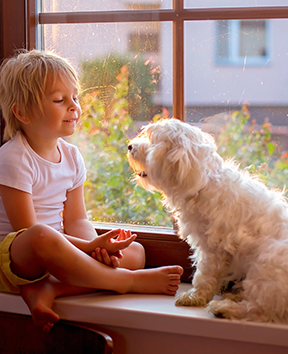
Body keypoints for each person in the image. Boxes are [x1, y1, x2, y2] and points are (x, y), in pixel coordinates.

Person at [0, 50, 183, 332]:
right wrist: (88, 247)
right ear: (22, 112)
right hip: (18, 261)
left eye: (75, 97)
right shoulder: (14, 157)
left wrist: (97, 251)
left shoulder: (71, 157)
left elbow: (77, 220)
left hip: (60, 253)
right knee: (42, 235)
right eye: (60, 100)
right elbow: (26, 231)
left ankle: (51, 290)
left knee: (135, 253)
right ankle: (127, 282)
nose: (74, 107)